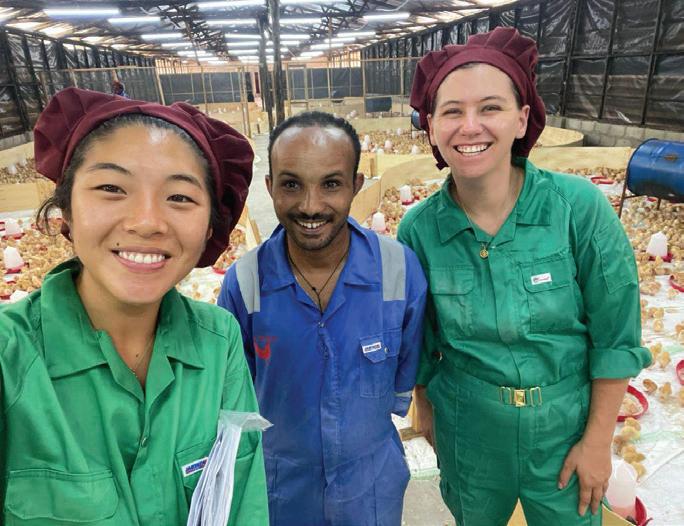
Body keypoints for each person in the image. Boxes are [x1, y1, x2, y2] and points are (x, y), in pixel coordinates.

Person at [398, 27, 651, 526]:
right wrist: (426, 409)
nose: (470, 126)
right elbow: (420, 338)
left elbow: (616, 335)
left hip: (565, 429)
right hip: (469, 428)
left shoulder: (576, 208)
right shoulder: (420, 229)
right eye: (452, 111)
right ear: (430, 126)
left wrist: (597, 442)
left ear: (522, 118)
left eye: (490, 107)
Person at [0, 87, 268, 524]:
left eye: (179, 197)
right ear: (66, 209)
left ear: (209, 227)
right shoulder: (9, 358)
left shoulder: (219, 342)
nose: (147, 222)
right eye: (111, 188)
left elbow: (243, 503)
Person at [218, 111, 427, 525]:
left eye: (331, 184)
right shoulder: (245, 284)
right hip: (280, 492)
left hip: (371, 490)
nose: (310, 205)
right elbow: (235, 400)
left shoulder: (398, 271)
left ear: (356, 185)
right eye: (291, 184)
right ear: (269, 187)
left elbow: (404, 374)